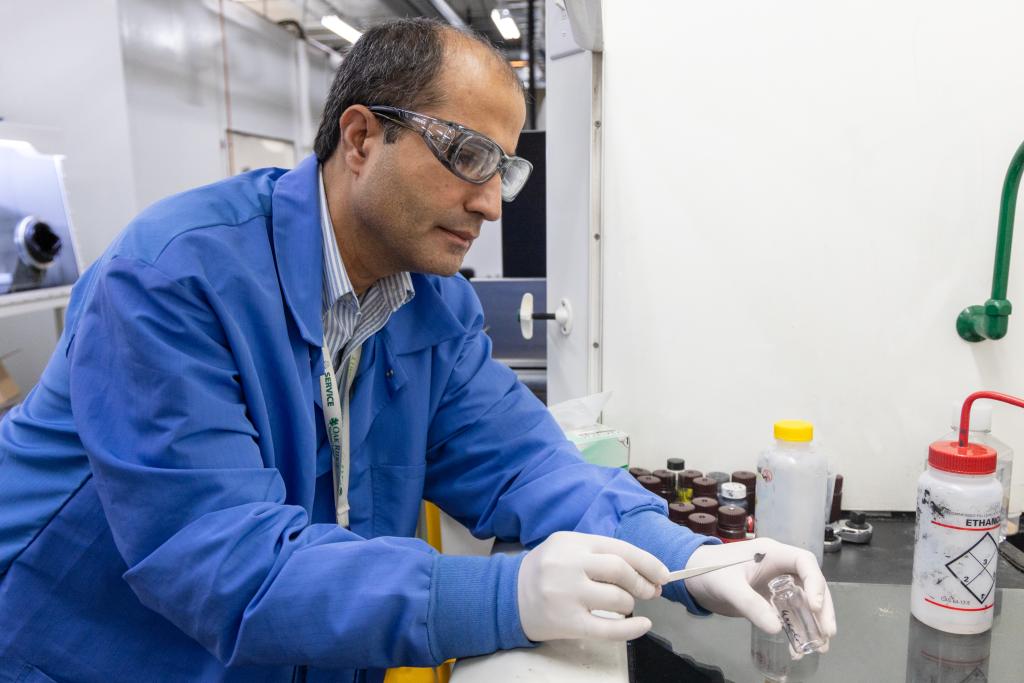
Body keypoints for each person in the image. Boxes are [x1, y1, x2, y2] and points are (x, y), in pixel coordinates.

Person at [0, 18, 835, 683]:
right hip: (91, 655)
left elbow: (527, 468)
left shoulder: (428, 304)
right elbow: (228, 566)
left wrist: (694, 557)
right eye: (467, 156)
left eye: (503, 169)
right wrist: (508, 594)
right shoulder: (171, 281)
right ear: (361, 138)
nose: (490, 203)